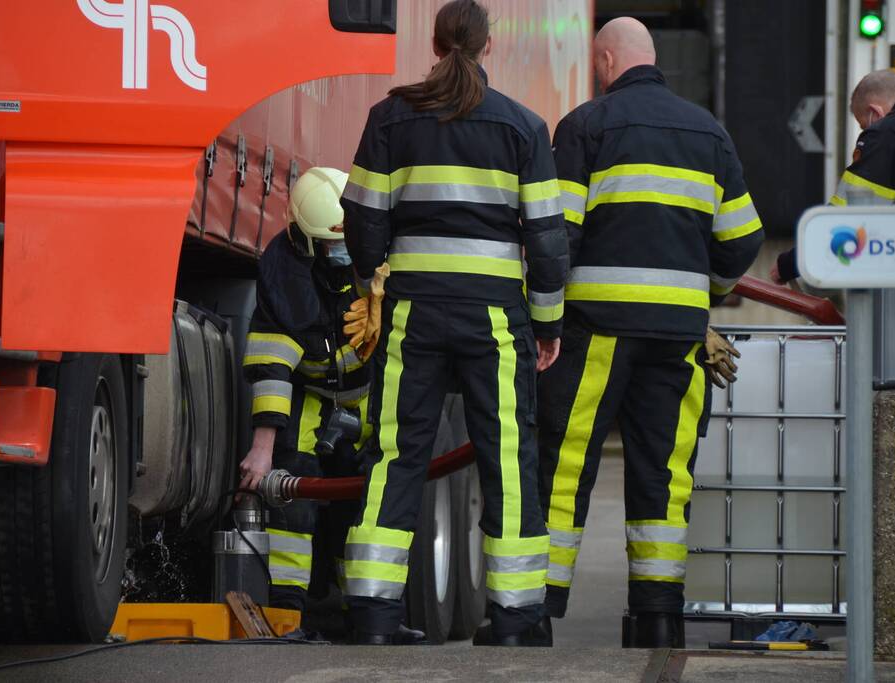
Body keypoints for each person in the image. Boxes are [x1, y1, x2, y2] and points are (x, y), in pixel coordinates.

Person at [338, 0, 568, 647]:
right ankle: (518, 619)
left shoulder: (390, 118)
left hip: (412, 311)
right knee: (507, 459)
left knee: (395, 451)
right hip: (495, 317)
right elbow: (547, 241)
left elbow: (361, 215)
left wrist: (369, 282)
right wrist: (547, 323)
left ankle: (376, 616)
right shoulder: (523, 127)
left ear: (436, 45)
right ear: (487, 48)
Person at [540, 17, 763, 648]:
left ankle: (535, 612)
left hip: (596, 332)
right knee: (665, 474)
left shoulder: (585, 126)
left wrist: (546, 317)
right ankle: (658, 619)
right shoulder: (709, 132)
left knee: (565, 464)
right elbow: (743, 240)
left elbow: (559, 234)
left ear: (606, 60)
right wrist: (705, 297)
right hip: (680, 337)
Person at [237, 167, 424, 644]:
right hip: (312, 400)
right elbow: (272, 365)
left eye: (346, 241)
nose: (339, 252)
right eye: (328, 244)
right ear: (303, 239)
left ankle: (369, 618)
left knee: (368, 508)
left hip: (371, 402)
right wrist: (263, 449)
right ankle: (288, 619)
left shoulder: (385, 262)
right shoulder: (285, 278)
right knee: (294, 504)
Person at [770, 69, 895, 284]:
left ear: (875, 113)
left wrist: (789, 264)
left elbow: (848, 216)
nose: (866, 131)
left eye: (864, 125)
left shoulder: (889, 132)